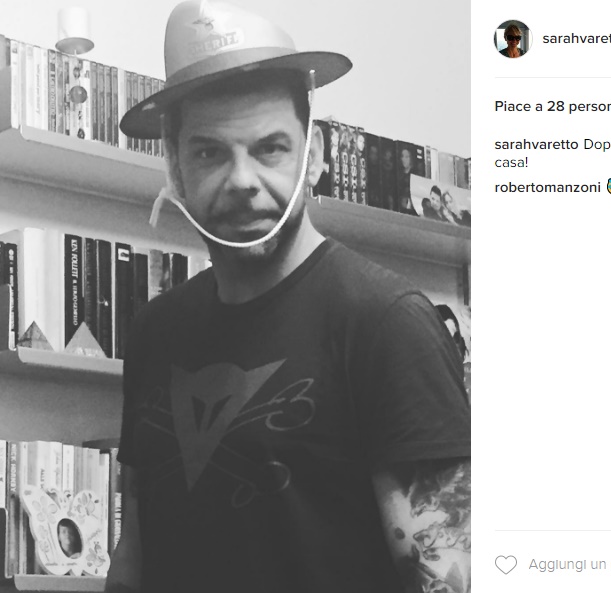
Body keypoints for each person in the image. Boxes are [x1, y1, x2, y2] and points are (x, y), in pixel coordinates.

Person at [106, 2, 470, 592]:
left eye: (270, 148)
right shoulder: (155, 331)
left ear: (315, 154)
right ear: (173, 164)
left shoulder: (387, 323)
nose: (242, 181)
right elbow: (135, 554)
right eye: (209, 152)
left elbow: (448, 574)